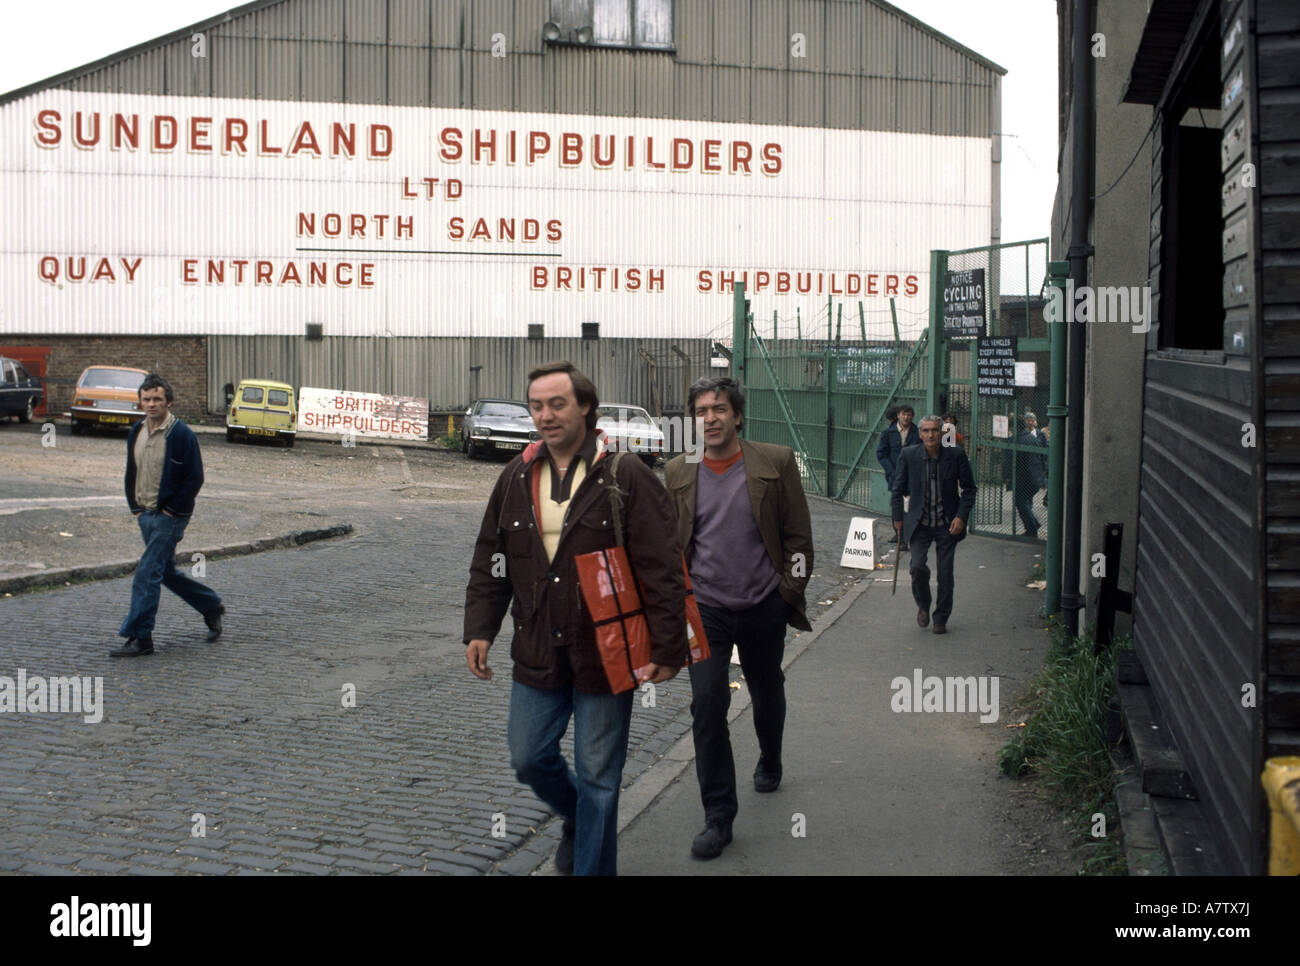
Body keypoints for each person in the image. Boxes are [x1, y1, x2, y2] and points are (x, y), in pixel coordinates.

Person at [463, 361, 686, 876]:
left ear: (585, 406)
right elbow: (490, 558)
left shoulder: (624, 473)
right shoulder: (516, 475)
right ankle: (577, 814)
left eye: (558, 403)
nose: (546, 415)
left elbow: (661, 567)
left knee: (600, 779)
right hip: (538, 645)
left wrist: (668, 648)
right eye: (537, 405)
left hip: (606, 652)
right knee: (528, 756)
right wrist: (480, 627)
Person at [664, 376, 814, 860]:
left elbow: (799, 541)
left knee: (766, 688)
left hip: (763, 604)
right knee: (707, 704)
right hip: (705, 608)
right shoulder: (679, 471)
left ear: (737, 415)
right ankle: (718, 817)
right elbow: (667, 543)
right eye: (702, 410)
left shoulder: (774, 462)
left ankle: (770, 756)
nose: (710, 418)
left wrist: (786, 592)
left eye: (719, 408)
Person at [112, 373, 224, 657]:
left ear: (168, 402)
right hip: (145, 514)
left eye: (157, 399)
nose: (151, 404)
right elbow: (131, 472)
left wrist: (170, 510)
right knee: (165, 572)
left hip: (171, 517)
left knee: (147, 573)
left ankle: (141, 637)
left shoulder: (181, 435)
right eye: (146, 399)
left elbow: (194, 478)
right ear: (140, 402)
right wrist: (135, 508)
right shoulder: (136, 431)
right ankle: (210, 605)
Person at [891, 415, 977, 635]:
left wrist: (961, 517)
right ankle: (923, 605)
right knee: (917, 567)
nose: (931, 435)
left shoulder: (956, 455)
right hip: (920, 524)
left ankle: (941, 617)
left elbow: (969, 490)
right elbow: (897, 489)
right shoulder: (909, 455)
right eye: (926, 431)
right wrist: (897, 519)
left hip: (947, 524)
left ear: (942, 433)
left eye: (935, 431)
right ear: (920, 434)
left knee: (945, 573)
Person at [877, 404, 920, 547]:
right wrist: (891, 471)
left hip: (912, 476)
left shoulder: (917, 432)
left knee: (910, 505)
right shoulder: (888, 433)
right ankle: (899, 534)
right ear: (898, 416)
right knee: (897, 504)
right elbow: (881, 454)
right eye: (904, 414)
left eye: (909, 414)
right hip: (895, 475)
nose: (906, 417)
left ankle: (907, 535)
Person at [1012, 411, 1048, 539]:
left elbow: (1045, 453)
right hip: (1033, 474)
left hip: (1032, 474)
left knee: (1021, 501)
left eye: (1033, 419)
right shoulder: (1029, 436)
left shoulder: (1038, 435)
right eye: (1028, 420)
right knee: (1025, 501)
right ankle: (1033, 524)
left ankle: (1032, 526)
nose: (1031, 422)